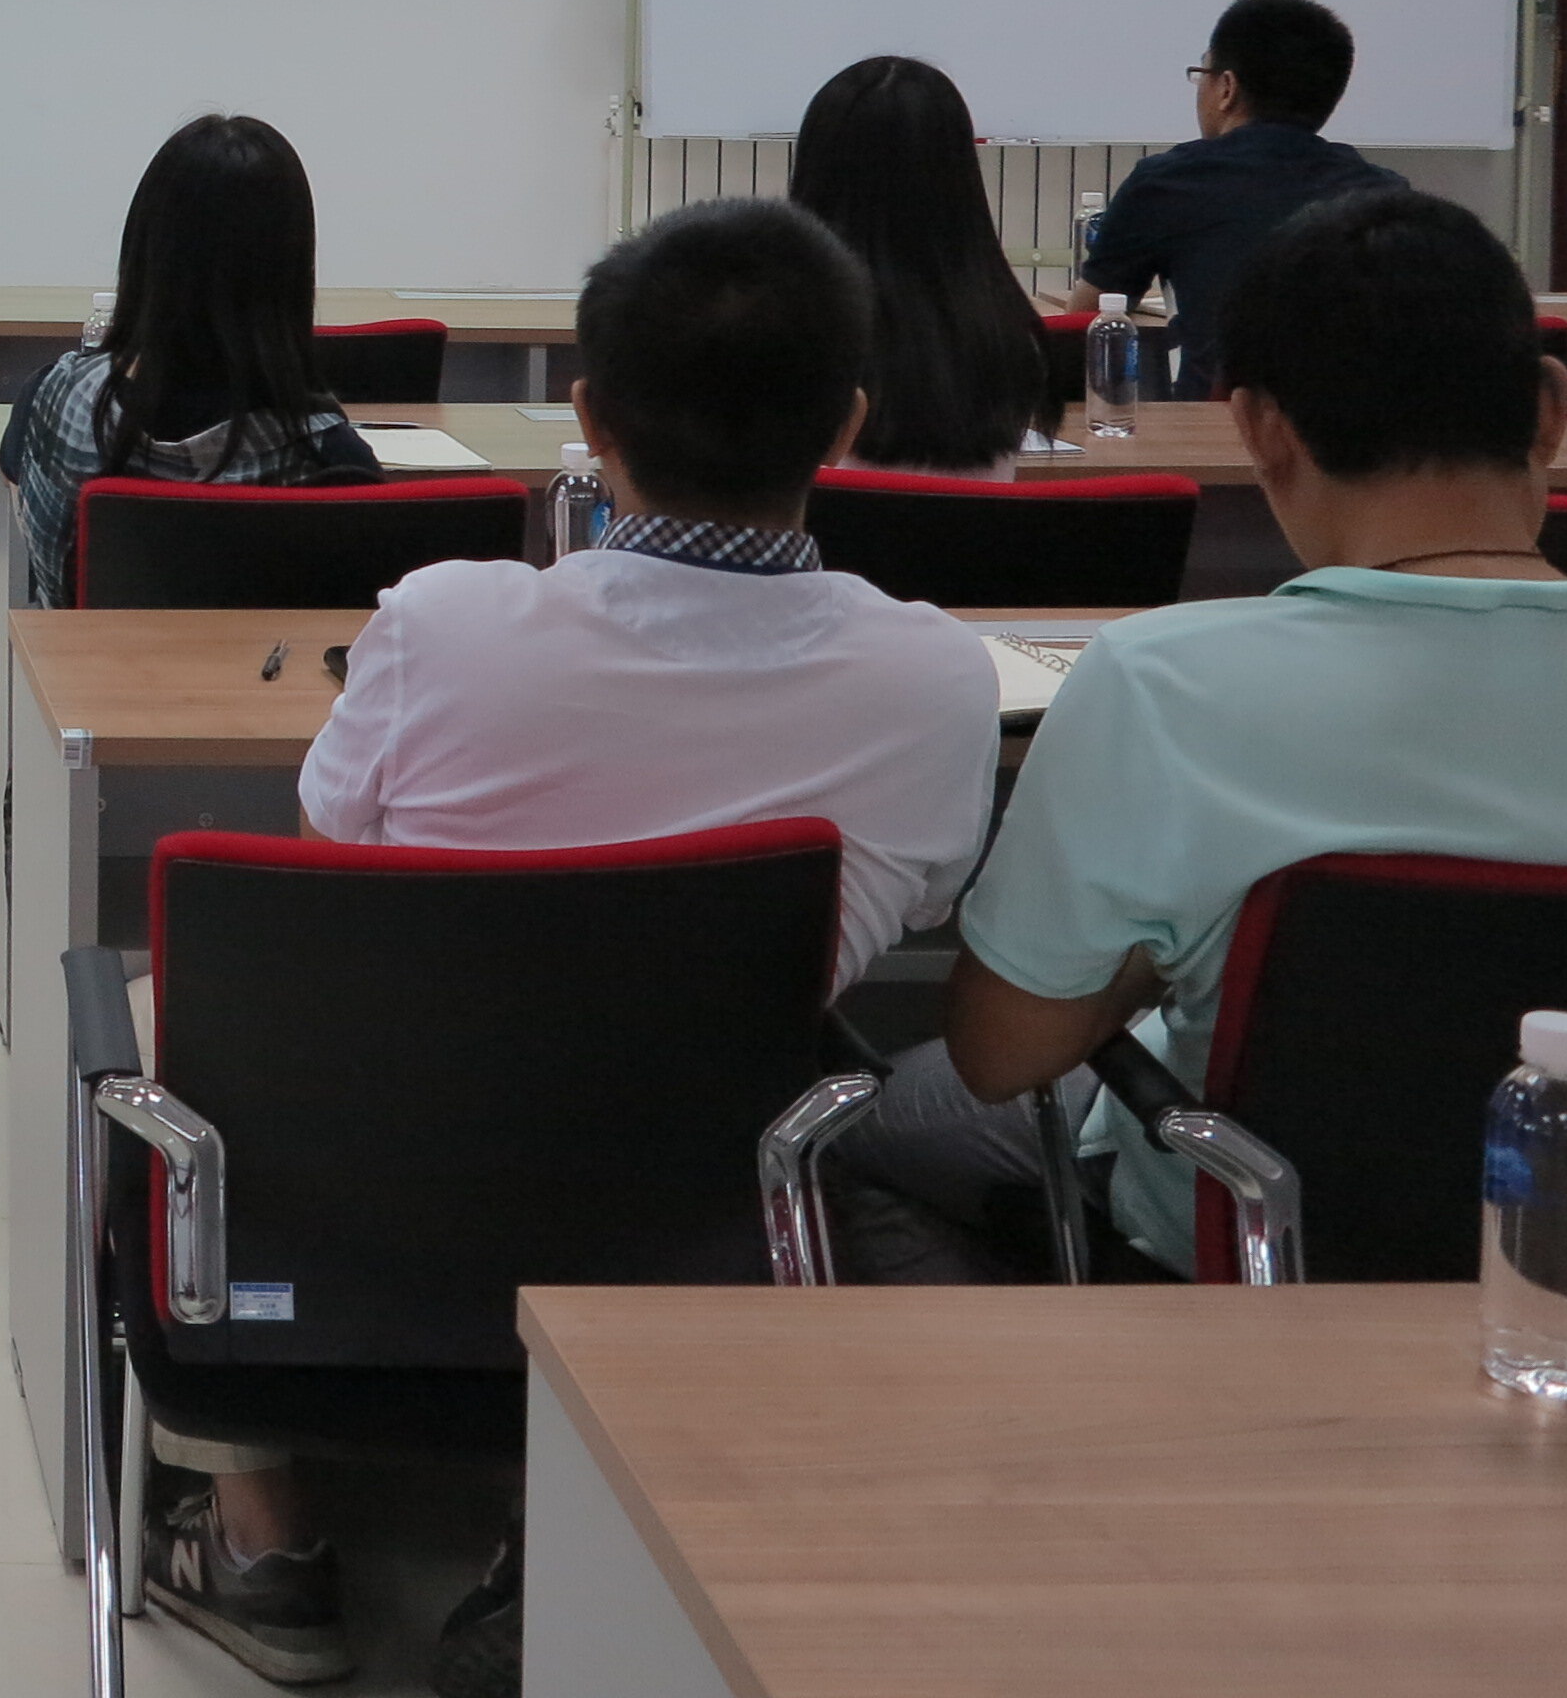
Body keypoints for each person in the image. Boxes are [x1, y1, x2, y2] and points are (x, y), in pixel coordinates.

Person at [151, 201, 1001, 1694]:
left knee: (178, 1017)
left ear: (588, 416)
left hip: (375, 1210)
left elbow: (334, 845)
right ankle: (559, 1526)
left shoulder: (442, 624)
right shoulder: (936, 678)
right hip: (707, 1220)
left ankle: (262, 1537)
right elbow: (924, 911)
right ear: (848, 423)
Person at [842, 186, 1567, 1282]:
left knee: (857, 1138)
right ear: (1550, 408)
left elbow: (1003, 1054)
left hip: (1254, 1249)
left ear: (1257, 426)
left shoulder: (1162, 685)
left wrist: (1160, 958)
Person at [10, 113, 376, 604]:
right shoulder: (331, 460)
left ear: (144, 246)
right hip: (263, 658)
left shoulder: (53, 395)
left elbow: (21, 490)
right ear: (290, 269)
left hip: (82, 654)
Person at [1078, 0, 1404, 396]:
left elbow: (1088, 321)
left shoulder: (1168, 182)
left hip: (1215, 423)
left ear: (1227, 88)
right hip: (1347, 427)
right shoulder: (1383, 192)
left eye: (1203, 73)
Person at [786, 55, 1057, 474]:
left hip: (823, 521)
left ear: (814, 172)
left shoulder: (781, 336)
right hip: (973, 522)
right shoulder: (1014, 341)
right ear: (961, 179)